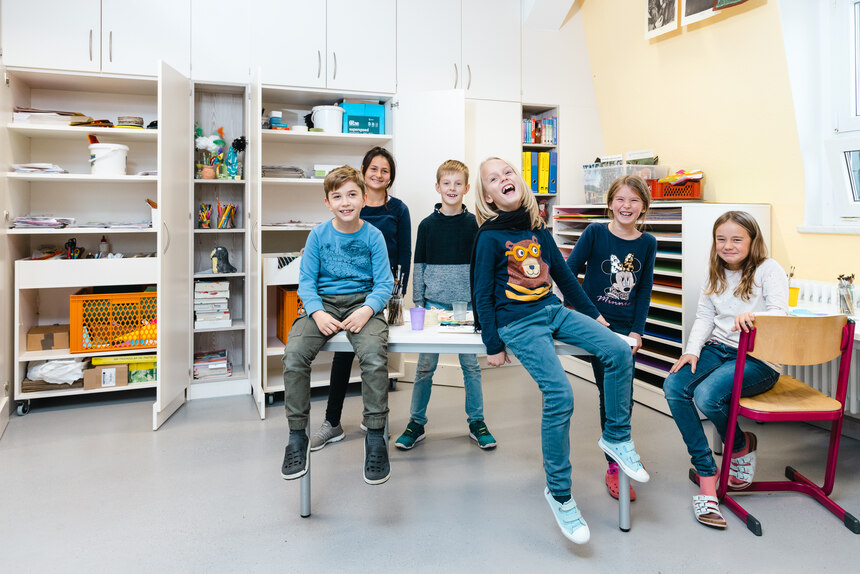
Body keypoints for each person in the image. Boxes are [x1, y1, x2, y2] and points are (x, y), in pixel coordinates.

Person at [471, 157, 649, 544]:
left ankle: (617, 438)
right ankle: (560, 493)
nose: (504, 179)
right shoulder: (487, 238)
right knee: (560, 394)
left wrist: (595, 318)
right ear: (487, 194)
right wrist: (492, 343)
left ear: (518, 182)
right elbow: (481, 292)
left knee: (618, 352)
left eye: (508, 173)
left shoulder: (538, 230)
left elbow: (566, 278)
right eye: (493, 178)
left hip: (552, 310)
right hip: (517, 323)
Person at [663, 211, 788, 529]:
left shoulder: (767, 269)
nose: (728, 245)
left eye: (736, 239)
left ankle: (738, 445)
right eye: (721, 239)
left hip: (758, 359)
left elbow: (779, 312)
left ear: (752, 241)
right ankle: (707, 471)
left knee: (707, 396)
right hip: (717, 350)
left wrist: (755, 318)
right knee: (674, 386)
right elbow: (705, 316)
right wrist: (691, 351)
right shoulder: (714, 271)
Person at [280, 165, 394, 485]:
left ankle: (374, 437)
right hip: (324, 304)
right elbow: (306, 283)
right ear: (328, 203)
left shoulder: (373, 236)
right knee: (294, 355)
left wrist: (367, 310)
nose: (345, 202)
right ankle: (297, 436)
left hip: (363, 303)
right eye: (337, 196)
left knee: (373, 356)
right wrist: (316, 313)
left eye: (352, 195)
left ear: (364, 197)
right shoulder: (318, 234)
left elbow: (384, 284)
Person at [311, 147, 412, 451]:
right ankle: (332, 422)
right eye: (374, 169)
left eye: (385, 170)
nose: (379, 175)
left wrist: (397, 293)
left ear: (390, 176)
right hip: (348, 293)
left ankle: (375, 421)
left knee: (375, 355)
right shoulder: (351, 201)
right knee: (343, 355)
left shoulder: (399, 209)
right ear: (364, 171)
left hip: (383, 293)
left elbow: (405, 253)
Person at [566, 175, 656, 502]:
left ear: (644, 207)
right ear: (610, 203)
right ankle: (616, 464)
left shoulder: (648, 244)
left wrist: (637, 330)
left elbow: (643, 289)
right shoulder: (594, 233)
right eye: (620, 199)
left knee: (619, 396)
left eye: (634, 200)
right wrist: (592, 316)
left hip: (624, 330)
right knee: (615, 394)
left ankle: (616, 457)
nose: (626, 206)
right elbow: (568, 274)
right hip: (594, 324)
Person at [395, 159, 495, 451]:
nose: (452, 189)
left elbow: (482, 266)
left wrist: (482, 304)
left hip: (469, 308)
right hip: (434, 308)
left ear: (466, 188)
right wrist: (420, 304)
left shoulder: (476, 224)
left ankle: (477, 422)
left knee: (471, 368)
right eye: (446, 183)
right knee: (425, 368)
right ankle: (416, 423)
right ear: (438, 187)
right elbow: (420, 265)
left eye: (458, 184)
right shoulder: (426, 225)